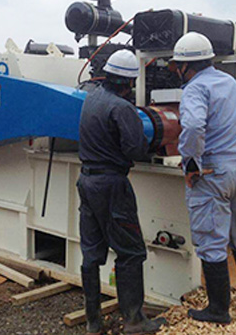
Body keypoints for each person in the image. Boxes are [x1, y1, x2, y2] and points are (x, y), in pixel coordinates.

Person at [171, 32, 236, 324]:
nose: (176, 71)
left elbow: (195, 125)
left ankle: (218, 310)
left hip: (213, 172)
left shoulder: (195, 89)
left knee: (212, 241)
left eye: (176, 66)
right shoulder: (229, 82)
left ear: (186, 66)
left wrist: (190, 162)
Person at [76, 49, 166, 334]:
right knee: (131, 252)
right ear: (129, 82)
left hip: (87, 181)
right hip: (112, 186)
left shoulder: (91, 100)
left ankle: (93, 322)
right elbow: (135, 149)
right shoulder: (122, 108)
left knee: (91, 253)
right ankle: (134, 321)